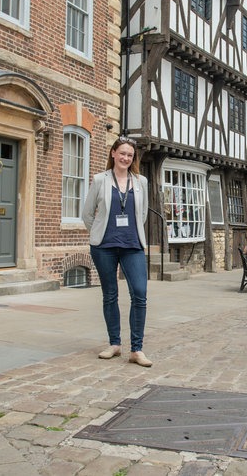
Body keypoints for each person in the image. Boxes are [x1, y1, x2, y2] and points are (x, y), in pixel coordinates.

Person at [82, 135, 151, 367]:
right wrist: (99, 233)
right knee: (110, 294)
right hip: (104, 246)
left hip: (132, 245)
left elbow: (142, 215)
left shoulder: (141, 181)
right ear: (113, 153)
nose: (125, 158)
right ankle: (114, 344)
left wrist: (130, 232)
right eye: (122, 153)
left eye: (130, 155)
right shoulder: (100, 180)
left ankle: (137, 349)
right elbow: (88, 214)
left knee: (139, 294)